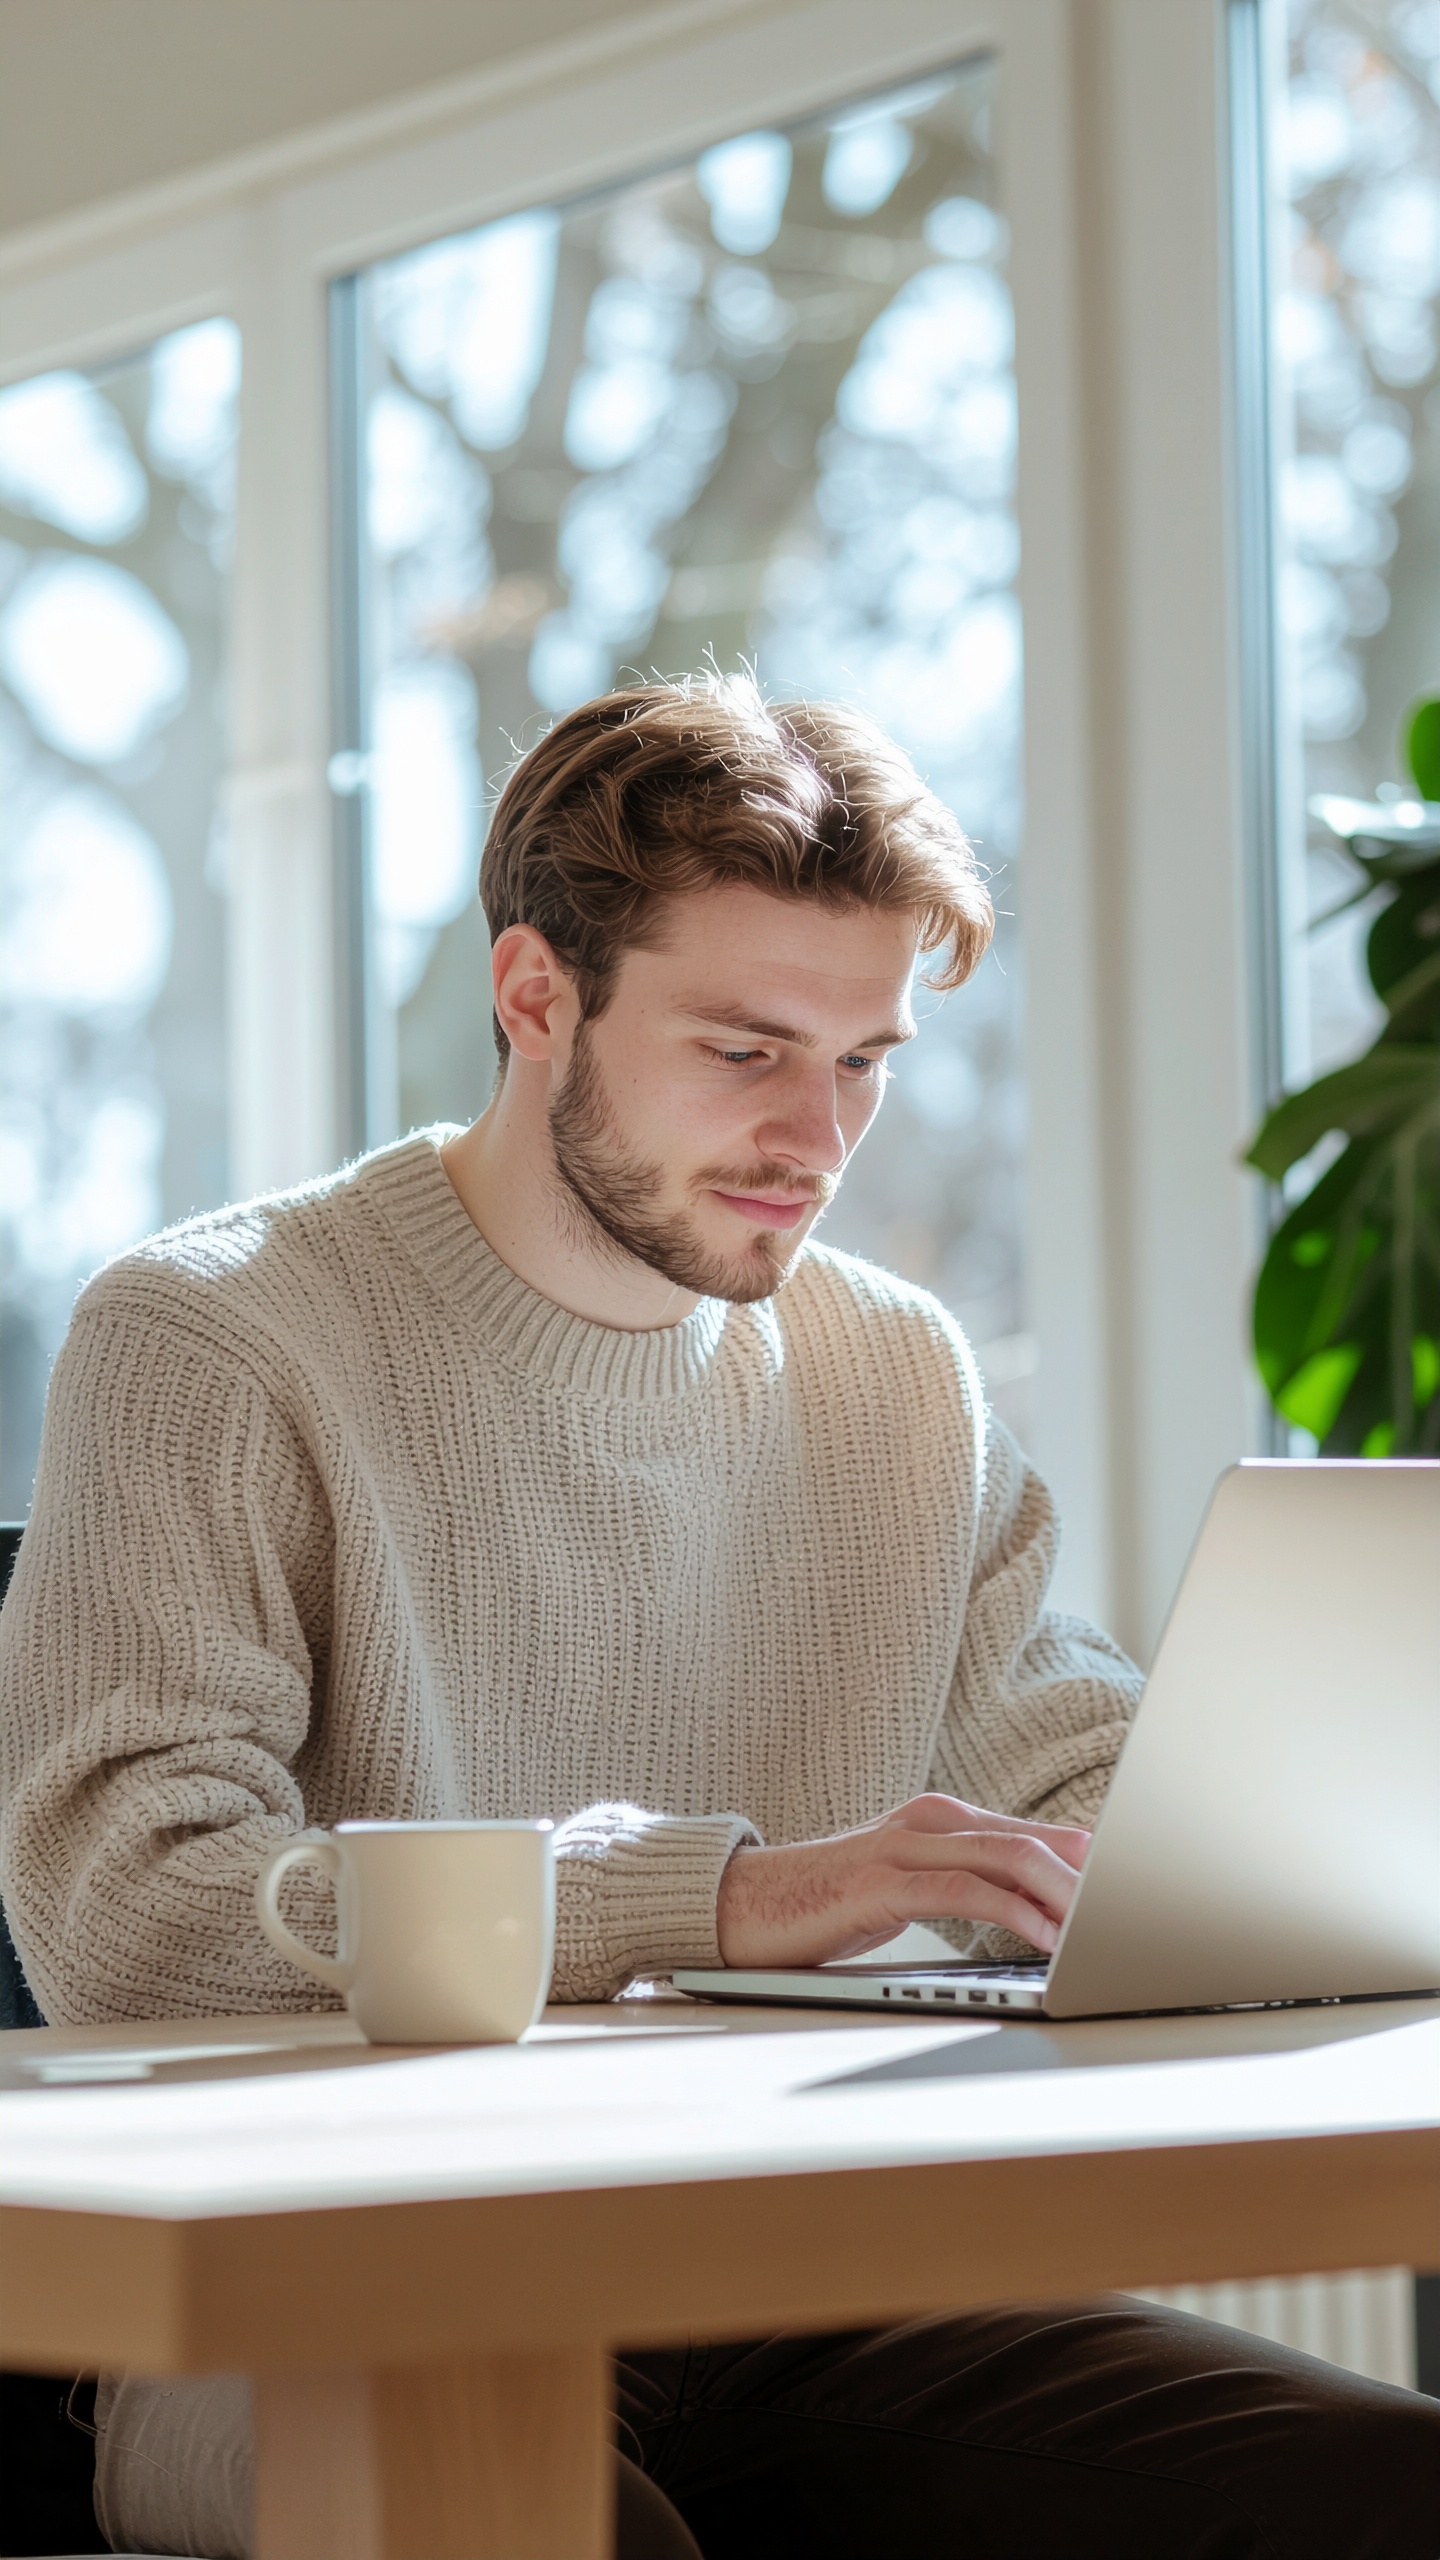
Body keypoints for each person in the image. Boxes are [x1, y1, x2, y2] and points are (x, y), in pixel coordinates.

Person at [1, 677, 1432, 2558]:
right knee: (541, 2531)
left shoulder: (892, 1371)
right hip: (316, 2301)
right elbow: (130, 1910)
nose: (816, 1139)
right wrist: (729, 1896)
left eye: (864, 1060)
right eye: (746, 1050)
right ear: (537, 998)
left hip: (802, 2273)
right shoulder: (215, 1333)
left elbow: (1077, 1767)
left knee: (1386, 2493)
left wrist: (1334, 1841)